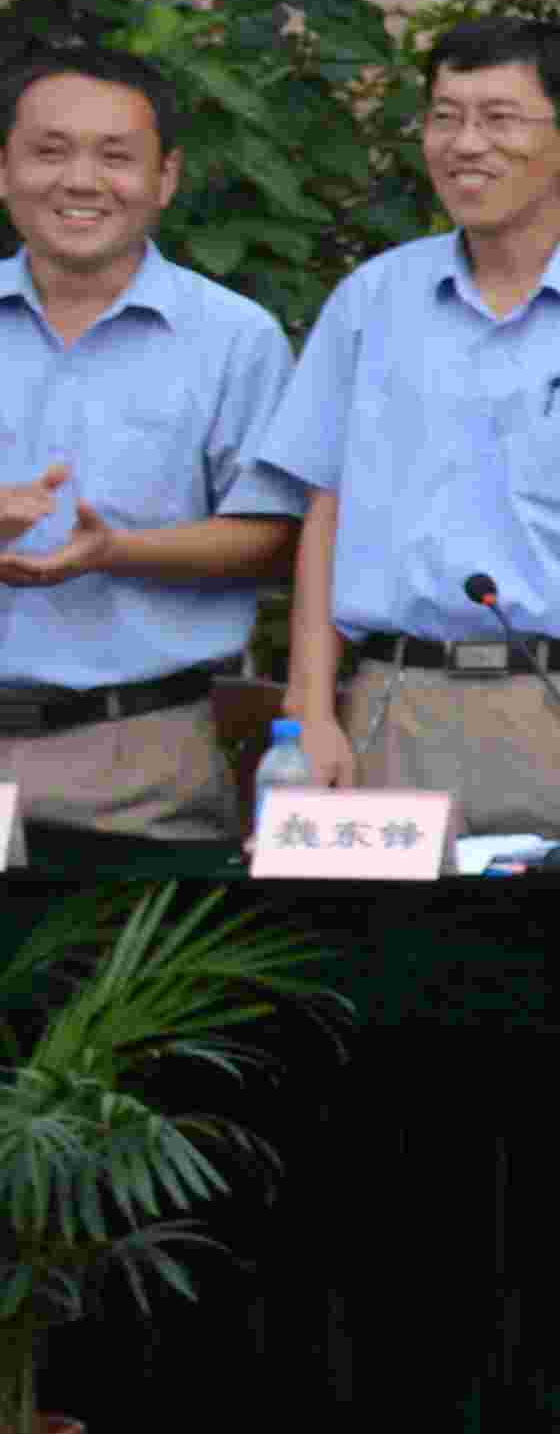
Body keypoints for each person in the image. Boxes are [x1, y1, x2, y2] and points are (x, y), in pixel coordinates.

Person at [256, 18, 560, 855]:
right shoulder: (371, 301)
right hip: (390, 700)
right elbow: (325, 507)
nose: (465, 144)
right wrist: (310, 705)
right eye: (445, 117)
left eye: (499, 118)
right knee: (378, 964)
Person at [0, 44, 300, 843]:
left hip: (139, 757)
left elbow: (278, 540)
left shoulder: (236, 340)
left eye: (116, 157)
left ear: (164, 178)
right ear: (3, 169)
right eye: (50, 151)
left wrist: (117, 552)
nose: (81, 181)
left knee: (133, 969)